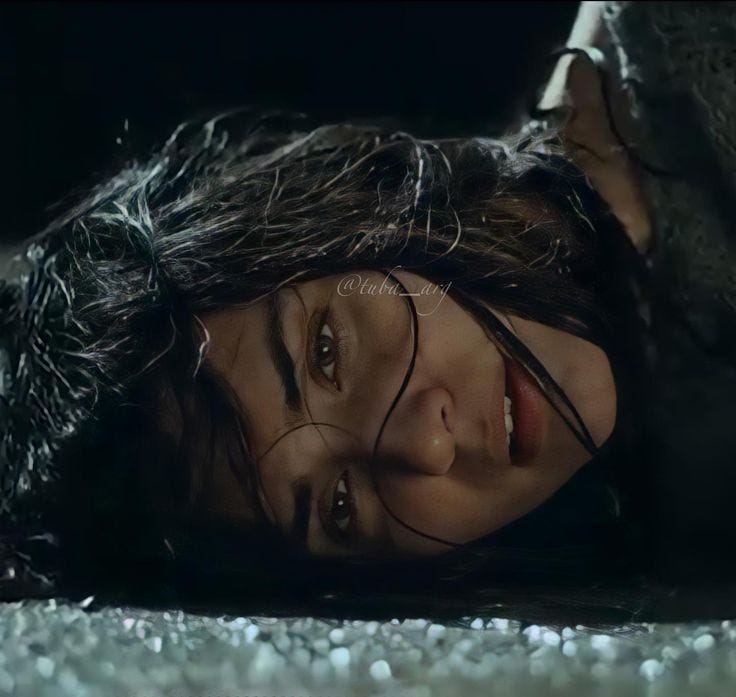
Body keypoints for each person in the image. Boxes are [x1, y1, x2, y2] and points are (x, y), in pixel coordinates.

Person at [1, 2, 735, 625]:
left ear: (345, 218)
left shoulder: (682, 47)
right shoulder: (674, 512)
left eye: (327, 353)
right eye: (340, 507)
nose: (427, 445)